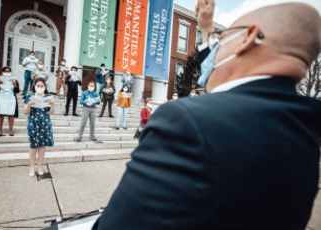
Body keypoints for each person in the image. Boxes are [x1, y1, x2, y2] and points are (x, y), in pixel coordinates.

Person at [93, 1, 321, 230]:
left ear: (249, 37)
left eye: (220, 39)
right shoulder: (307, 127)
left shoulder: (185, 121)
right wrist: (206, 29)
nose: (214, 52)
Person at [24, 78, 55, 177]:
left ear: (45, 87)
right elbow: (26, 112)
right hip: (33, 123)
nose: (40, 88)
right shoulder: (30, 96)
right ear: (34, 86)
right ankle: (32, 167)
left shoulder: (48, 97)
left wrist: (53, 105)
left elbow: (52, 112)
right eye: (38, 86)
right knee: (33, 146)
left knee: (42, 146)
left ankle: (40, 166)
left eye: (42, 86)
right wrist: (28, 105)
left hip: (45, 123)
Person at [0, 67, 20, 136]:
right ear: (2, 72)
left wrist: (15, 86)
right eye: (5, 71)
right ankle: (0, 130)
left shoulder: (14, 81)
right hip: (1, 98)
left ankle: (10, 130)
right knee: (0, 114)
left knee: (11, 114)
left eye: (8, 71)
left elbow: (17, 91)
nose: (7, 73)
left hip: (11, 98)